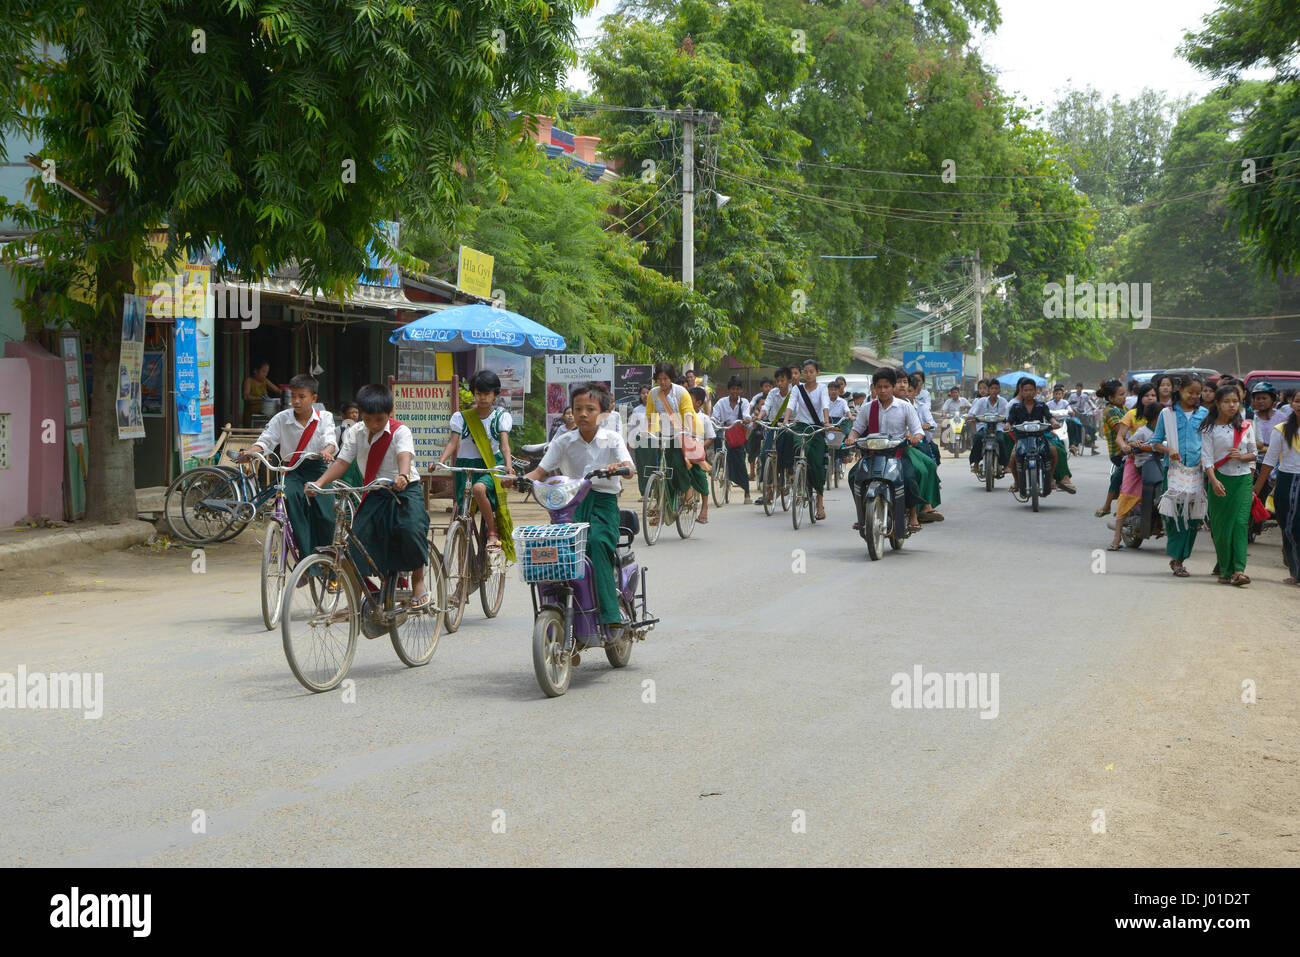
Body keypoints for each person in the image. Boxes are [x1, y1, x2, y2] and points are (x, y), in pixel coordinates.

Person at [523, 385, 635, 628]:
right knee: (555, 551)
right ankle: (557, 609)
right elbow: (540, 471)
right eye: (578, 409)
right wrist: (521, 480)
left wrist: (619, 467)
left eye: (590, 409)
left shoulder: (612, 439)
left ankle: (610, 614)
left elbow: (629, 468)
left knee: (596, 543)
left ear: (603, 414)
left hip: (603, 504)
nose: (582, 414)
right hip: (569, 505)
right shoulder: (563, 441)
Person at [309, 383, 430, 606]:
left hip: (405, 488)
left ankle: (418, 579)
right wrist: (319, 482)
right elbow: (342, 462)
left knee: (410, 529)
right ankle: (355, 602)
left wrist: (402, 476)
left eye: (379, 420)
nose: (373, 425)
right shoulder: (356, 432)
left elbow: (405, 455)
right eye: (368, 419)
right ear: (361, 415)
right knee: (356, 544)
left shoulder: (400, 431)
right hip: (375, 490)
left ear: (390, 414)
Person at [239, 373, 338, 576]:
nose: (296, 401)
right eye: (293, 396)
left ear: (314, 398)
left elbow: (330, 439)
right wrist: (251, 452)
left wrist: (327, 450)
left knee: (326, 515)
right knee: (292, 504)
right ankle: (306, 562)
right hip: (291, 470)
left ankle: (330, 565)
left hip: (318, 469)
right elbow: (266, 441)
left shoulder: (324, 417)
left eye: (301, 396)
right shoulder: (281, 419)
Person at [439, 369, 514, 553]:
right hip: (465, 467)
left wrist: (508, 468)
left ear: (495, 394)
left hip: (490, 466)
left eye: (487, 393)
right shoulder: (461, 418)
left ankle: (493, 532)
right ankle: (462, 575)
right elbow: (453, 442)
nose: (482, 398)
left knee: (478, 489)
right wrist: (440, 461)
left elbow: (504, 446)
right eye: (478, 393)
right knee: (460, 519)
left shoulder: (500, 418)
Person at [845, 368, 929, 532]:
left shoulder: (905, 407)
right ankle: (863, 514)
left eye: (886, 387)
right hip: (872, 453)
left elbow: (918, 430)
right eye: (879, 387)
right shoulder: (868, 408)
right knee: (854, 476)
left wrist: (915, 438)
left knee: (910, 479)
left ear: (892, 387)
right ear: (874, 388)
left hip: (897, 452)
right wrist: (851, 438)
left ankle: (912, 515)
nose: (883, 391)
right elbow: (857, 429)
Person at [1150, 374, 1210, 577]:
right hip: (1173, 470)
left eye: (1197, 393)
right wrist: (1169, 451)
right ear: (1180, 390)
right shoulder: (1167, 414)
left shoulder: (1205, 414)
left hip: (1198, 471)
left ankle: (1181, 558)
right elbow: (1155, 442)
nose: (1194, 396)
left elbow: (1209, 441)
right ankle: (1176, 558)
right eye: (1190, 392)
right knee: (1173, 513)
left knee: (1194, 516)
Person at [1200, 384, 1257, 585]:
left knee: (1241, 524)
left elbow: (1254, 454)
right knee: (1221, 527)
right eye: (1226, 402)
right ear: (1217, 404)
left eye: (1235, 401)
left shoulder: (1246, 426)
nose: (1231, 405)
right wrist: (1213, 481)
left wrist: (1242, 457)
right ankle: (1225, 569)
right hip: (1220, 479)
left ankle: (1239, 570)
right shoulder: (1209, 428)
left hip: (1243, 480)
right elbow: (1206, 458)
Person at [646, 361, 710, 523]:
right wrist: (649, 433)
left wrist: (687, 432)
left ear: (671, 378)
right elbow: (650, 416)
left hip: (687, 430)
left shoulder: (680, 392)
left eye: (666, 379)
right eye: (659, 379)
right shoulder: (653, 394)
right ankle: (665, 509)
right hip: (665, 434)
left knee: (695, 467)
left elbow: (688, 413)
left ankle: (700, 503)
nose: (662, 382)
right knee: (663, 469)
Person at [1107, 394, 1160, 550]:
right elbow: (1125, 441)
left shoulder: (1166, 430)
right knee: (1126, 494)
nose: (1150, 398)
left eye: (1153, 395)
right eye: (1147, 395)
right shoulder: (1139, 425)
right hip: (1139, 463)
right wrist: (1131, 445)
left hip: (1160, 464)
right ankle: (1116, 537)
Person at [1254, 405, 1300, 584]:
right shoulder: (1280, 430)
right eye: (1297, 400)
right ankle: (1295, 571)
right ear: (1292, 404)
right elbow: (1269, 460)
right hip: (1287, 483)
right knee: (1290, 527)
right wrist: (1256, 489)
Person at [1006, 377, 1076, 494]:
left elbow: (1049, 417)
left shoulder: (1041, 405)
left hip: (1039, 437)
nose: (1029, 393)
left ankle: (1050, 477)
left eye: (1031, 390)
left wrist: (1053, 423)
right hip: (1022, 438)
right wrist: (1007, 425)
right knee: (1013, 458)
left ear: (1035, 391)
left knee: (1054, 451)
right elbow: (1010, 420)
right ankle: (1017, 482)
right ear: (1021, 391)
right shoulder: (1016, 407)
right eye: (1026, 390)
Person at [790, 359, 833, 521]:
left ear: (817, 373)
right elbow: (791, 404)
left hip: (817, 427)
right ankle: (799, 479)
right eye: (805, 371)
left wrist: (827, 421)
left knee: (817, 464)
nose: (808, 374)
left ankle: (819, 503)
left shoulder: (822, 389)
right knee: (798, 449)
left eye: (811, 371)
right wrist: (786, 420)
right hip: (800, 426)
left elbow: (825, 404)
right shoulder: (797, 389)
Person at [754, 367, 796, 506]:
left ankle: (789, 470)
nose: (779, 383)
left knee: (789, 442)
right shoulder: (773, 392)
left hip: (790, 425)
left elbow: (799, 409)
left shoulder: (795, 392)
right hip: (774, 425)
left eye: (782, 380)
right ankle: (769, 486)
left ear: (789, 380)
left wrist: (790, 422)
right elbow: (766, 407)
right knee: (765, 453)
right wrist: (759, 416)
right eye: (777, 381)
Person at [712, 375, 753, 504]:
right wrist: (712, 420)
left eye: (737, 389)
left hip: (737, 435)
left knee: (740, 461)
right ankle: (719, 466)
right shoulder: (721, 402)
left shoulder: (744, 402)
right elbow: (715, 415)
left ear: (740, 390)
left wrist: (746, 419)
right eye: (733, 389)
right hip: (724, 431)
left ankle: (747, 492)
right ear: (728, 389)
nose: (735, 391)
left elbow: (747, 414)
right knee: (718, 444)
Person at [1095, 379, 1128, 517]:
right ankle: (1107, 505)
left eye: (1124, 393)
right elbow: (1121, 430)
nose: (1124, 397)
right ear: (1110, 398)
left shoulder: (1124, 409)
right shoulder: (1110, 411)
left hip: (1133, 448)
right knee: (1120, 473)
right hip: (1119, 452)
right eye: (1120, 395)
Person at [967, 378, 1011, 474]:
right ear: (989, 390)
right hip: (983, 427)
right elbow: (973, 413)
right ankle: (976, 463)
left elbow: (1009, 415)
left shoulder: (1003, 401)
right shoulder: (982, 401)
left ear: (999, 390)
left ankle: (1006, 464)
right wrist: (971, 417)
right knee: (978, 438)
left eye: (996, 388)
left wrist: (1007, 422)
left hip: (998, 427)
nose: (994, 391)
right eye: (992, 388)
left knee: (1001, 440)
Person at [242, 359, 286, 428]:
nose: (265, 374)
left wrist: (286, 394)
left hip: (265, 413)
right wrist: (260, 398)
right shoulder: (249, 381)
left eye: (266, 372)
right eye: (263, 372)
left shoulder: (265, 380)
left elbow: (277, 390)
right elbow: (246, 396)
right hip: (252, 415)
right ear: (255, 371)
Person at [628, 385, 655, 495]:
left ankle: (655, 492)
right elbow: (631, 427)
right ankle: (644, 493)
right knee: (642, 466)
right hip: (640, 440)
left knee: (654, 465)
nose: (645, 395)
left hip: (653, 439)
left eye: (647, 392)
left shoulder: (656, 408)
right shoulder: (636, 410)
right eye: (643, 393)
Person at [748, 377, 774, 479]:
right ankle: (752, 471)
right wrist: (749, 416)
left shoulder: (776, 395)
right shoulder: (757, 397)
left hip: (772, 423)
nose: (768, 388)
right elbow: (751, 405)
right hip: (759, 425)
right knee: (752, 441)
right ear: (761, 388)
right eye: (765, 386)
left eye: (770, 386)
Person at [1250, 381, 1287, 449]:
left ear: (1272, 399)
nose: (1260, 401)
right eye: (1258, 399)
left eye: (1264, 398)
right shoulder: (1250, 418)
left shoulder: (1282, 418)